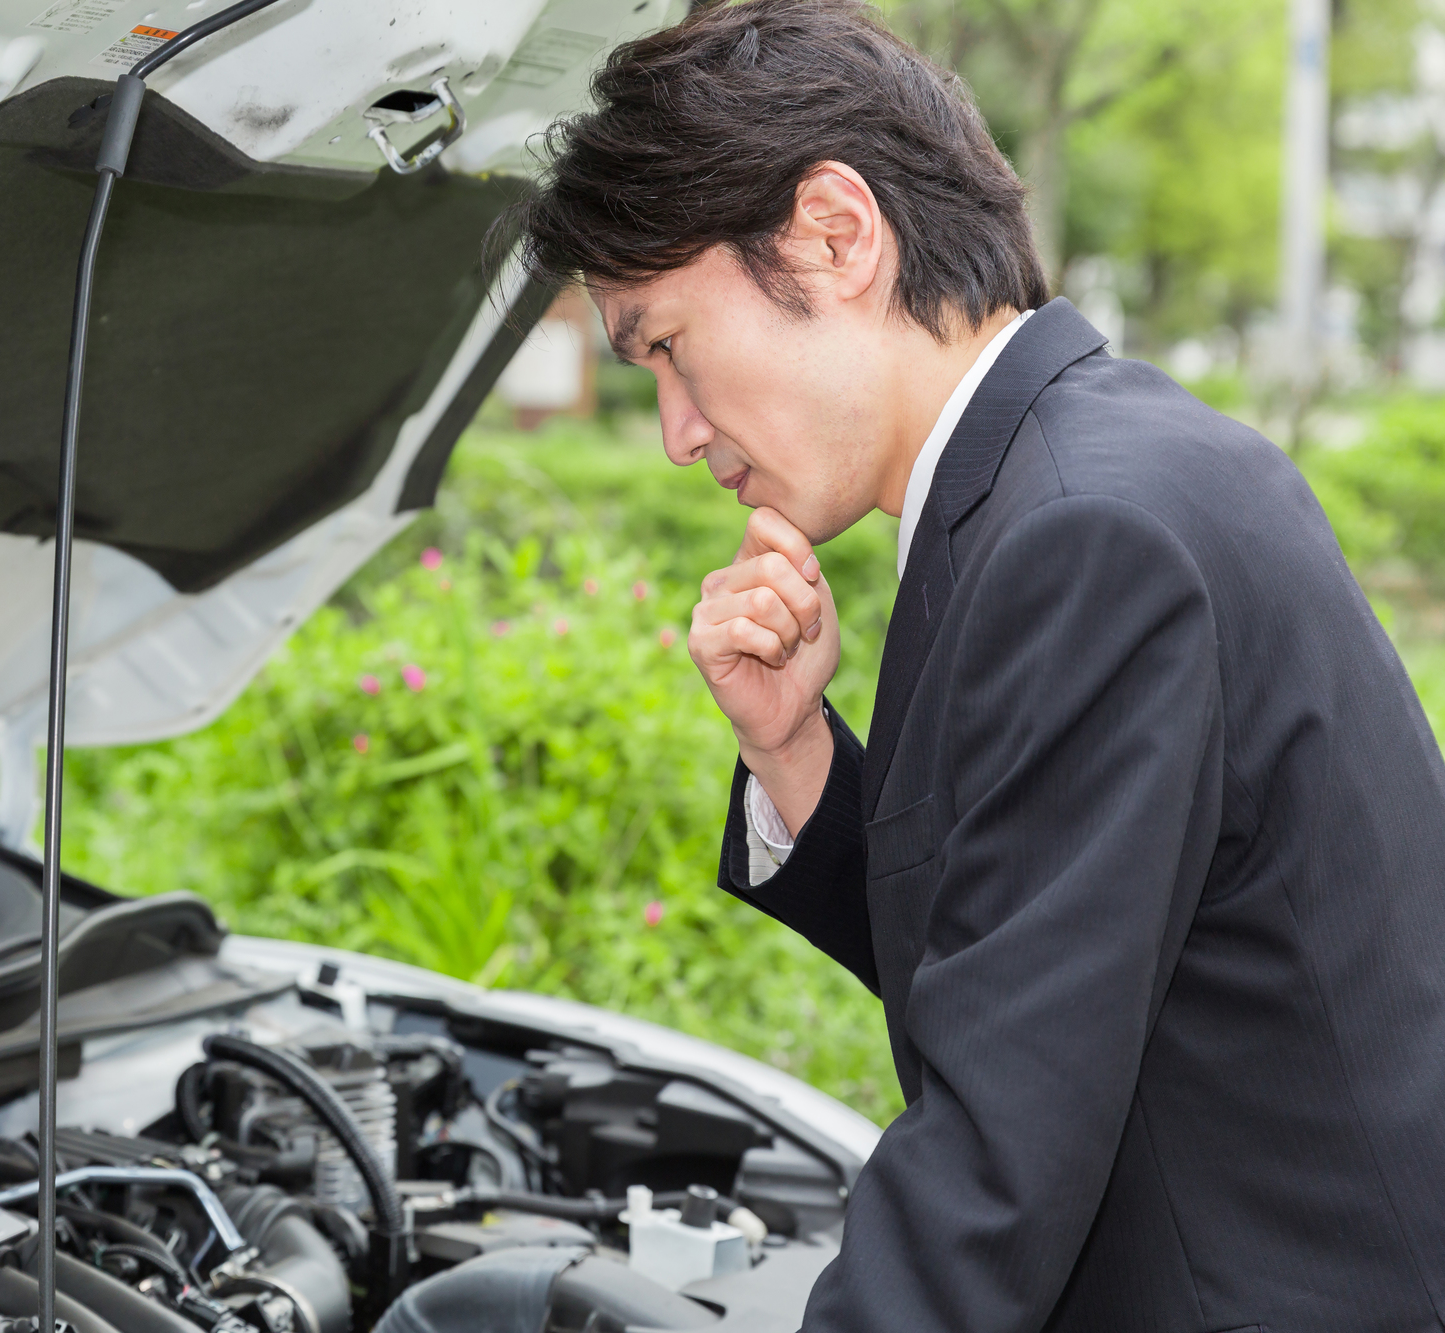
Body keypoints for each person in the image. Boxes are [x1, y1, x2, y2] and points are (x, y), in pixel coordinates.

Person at [500, 1, 1445, 1329]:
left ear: (836, 234)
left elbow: (998, 1158)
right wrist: (798, 753)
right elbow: (1035, 960)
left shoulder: (1083, 536)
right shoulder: (1061, 478)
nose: (673, 430)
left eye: (667, 345)